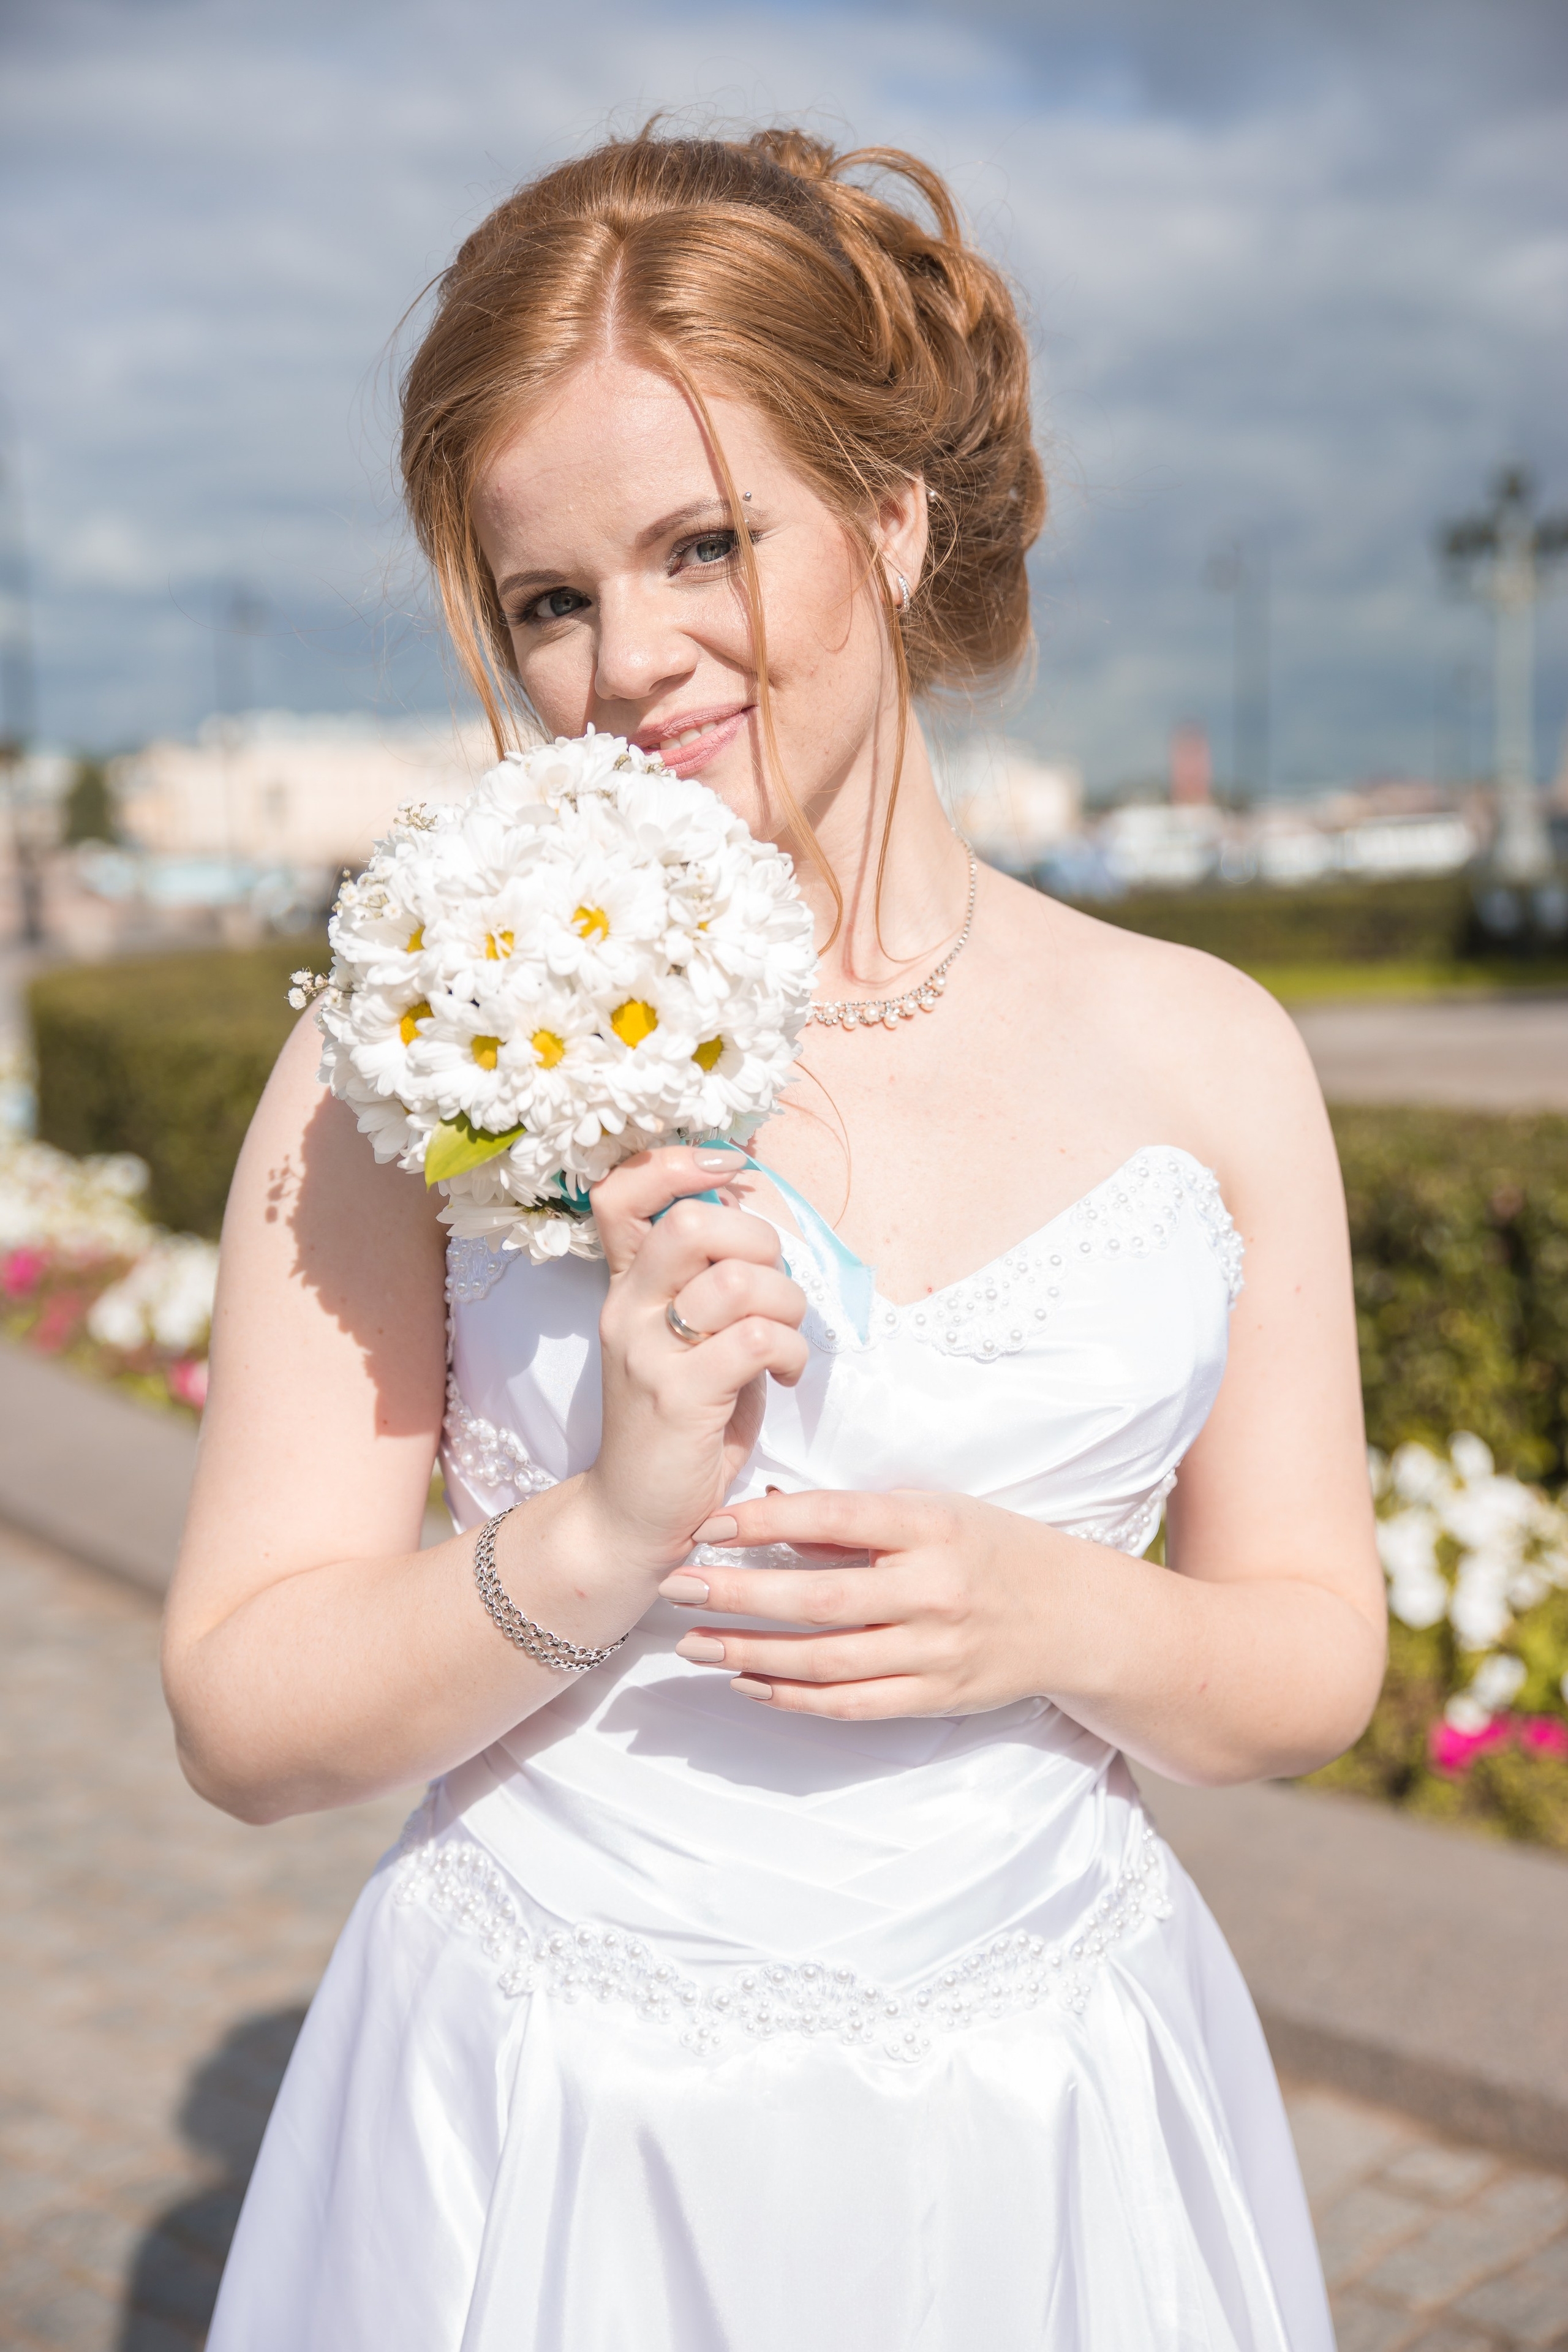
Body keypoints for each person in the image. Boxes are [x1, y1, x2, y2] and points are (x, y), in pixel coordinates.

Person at [172, 127, 1384, 2351]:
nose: (627, 658)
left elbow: (1314, 1655)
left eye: (703, 544)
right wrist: (600, 1536)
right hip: (544, 2135)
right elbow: (244, 1716)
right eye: (550, 596)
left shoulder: (1209, 1054)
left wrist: (1058, 1612)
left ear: (898, 523)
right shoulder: (413, 1039)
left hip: (1053, 2136)